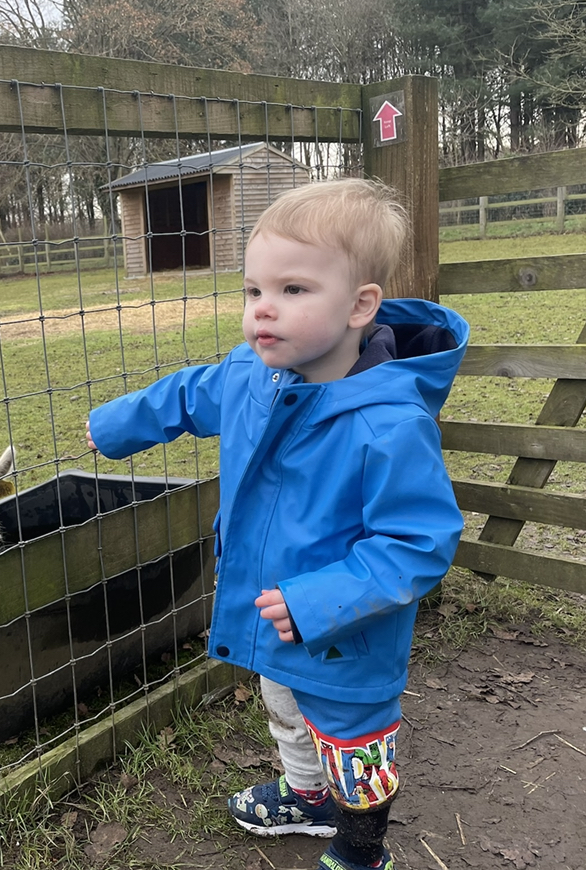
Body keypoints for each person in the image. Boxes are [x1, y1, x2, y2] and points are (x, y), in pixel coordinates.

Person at [85, 177, 469, 870]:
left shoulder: (389, 425)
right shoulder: (251, 374)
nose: (263, 310)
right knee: (284, 706)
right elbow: (188, 393)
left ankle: (359, 850)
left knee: (354, 744)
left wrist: (317, 601)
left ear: (359, 306)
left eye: (293, 291)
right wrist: (115, 425)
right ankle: (306, 797)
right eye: (253, 291)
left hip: (346, 636)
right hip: (270, 612)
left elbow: (418, 542)